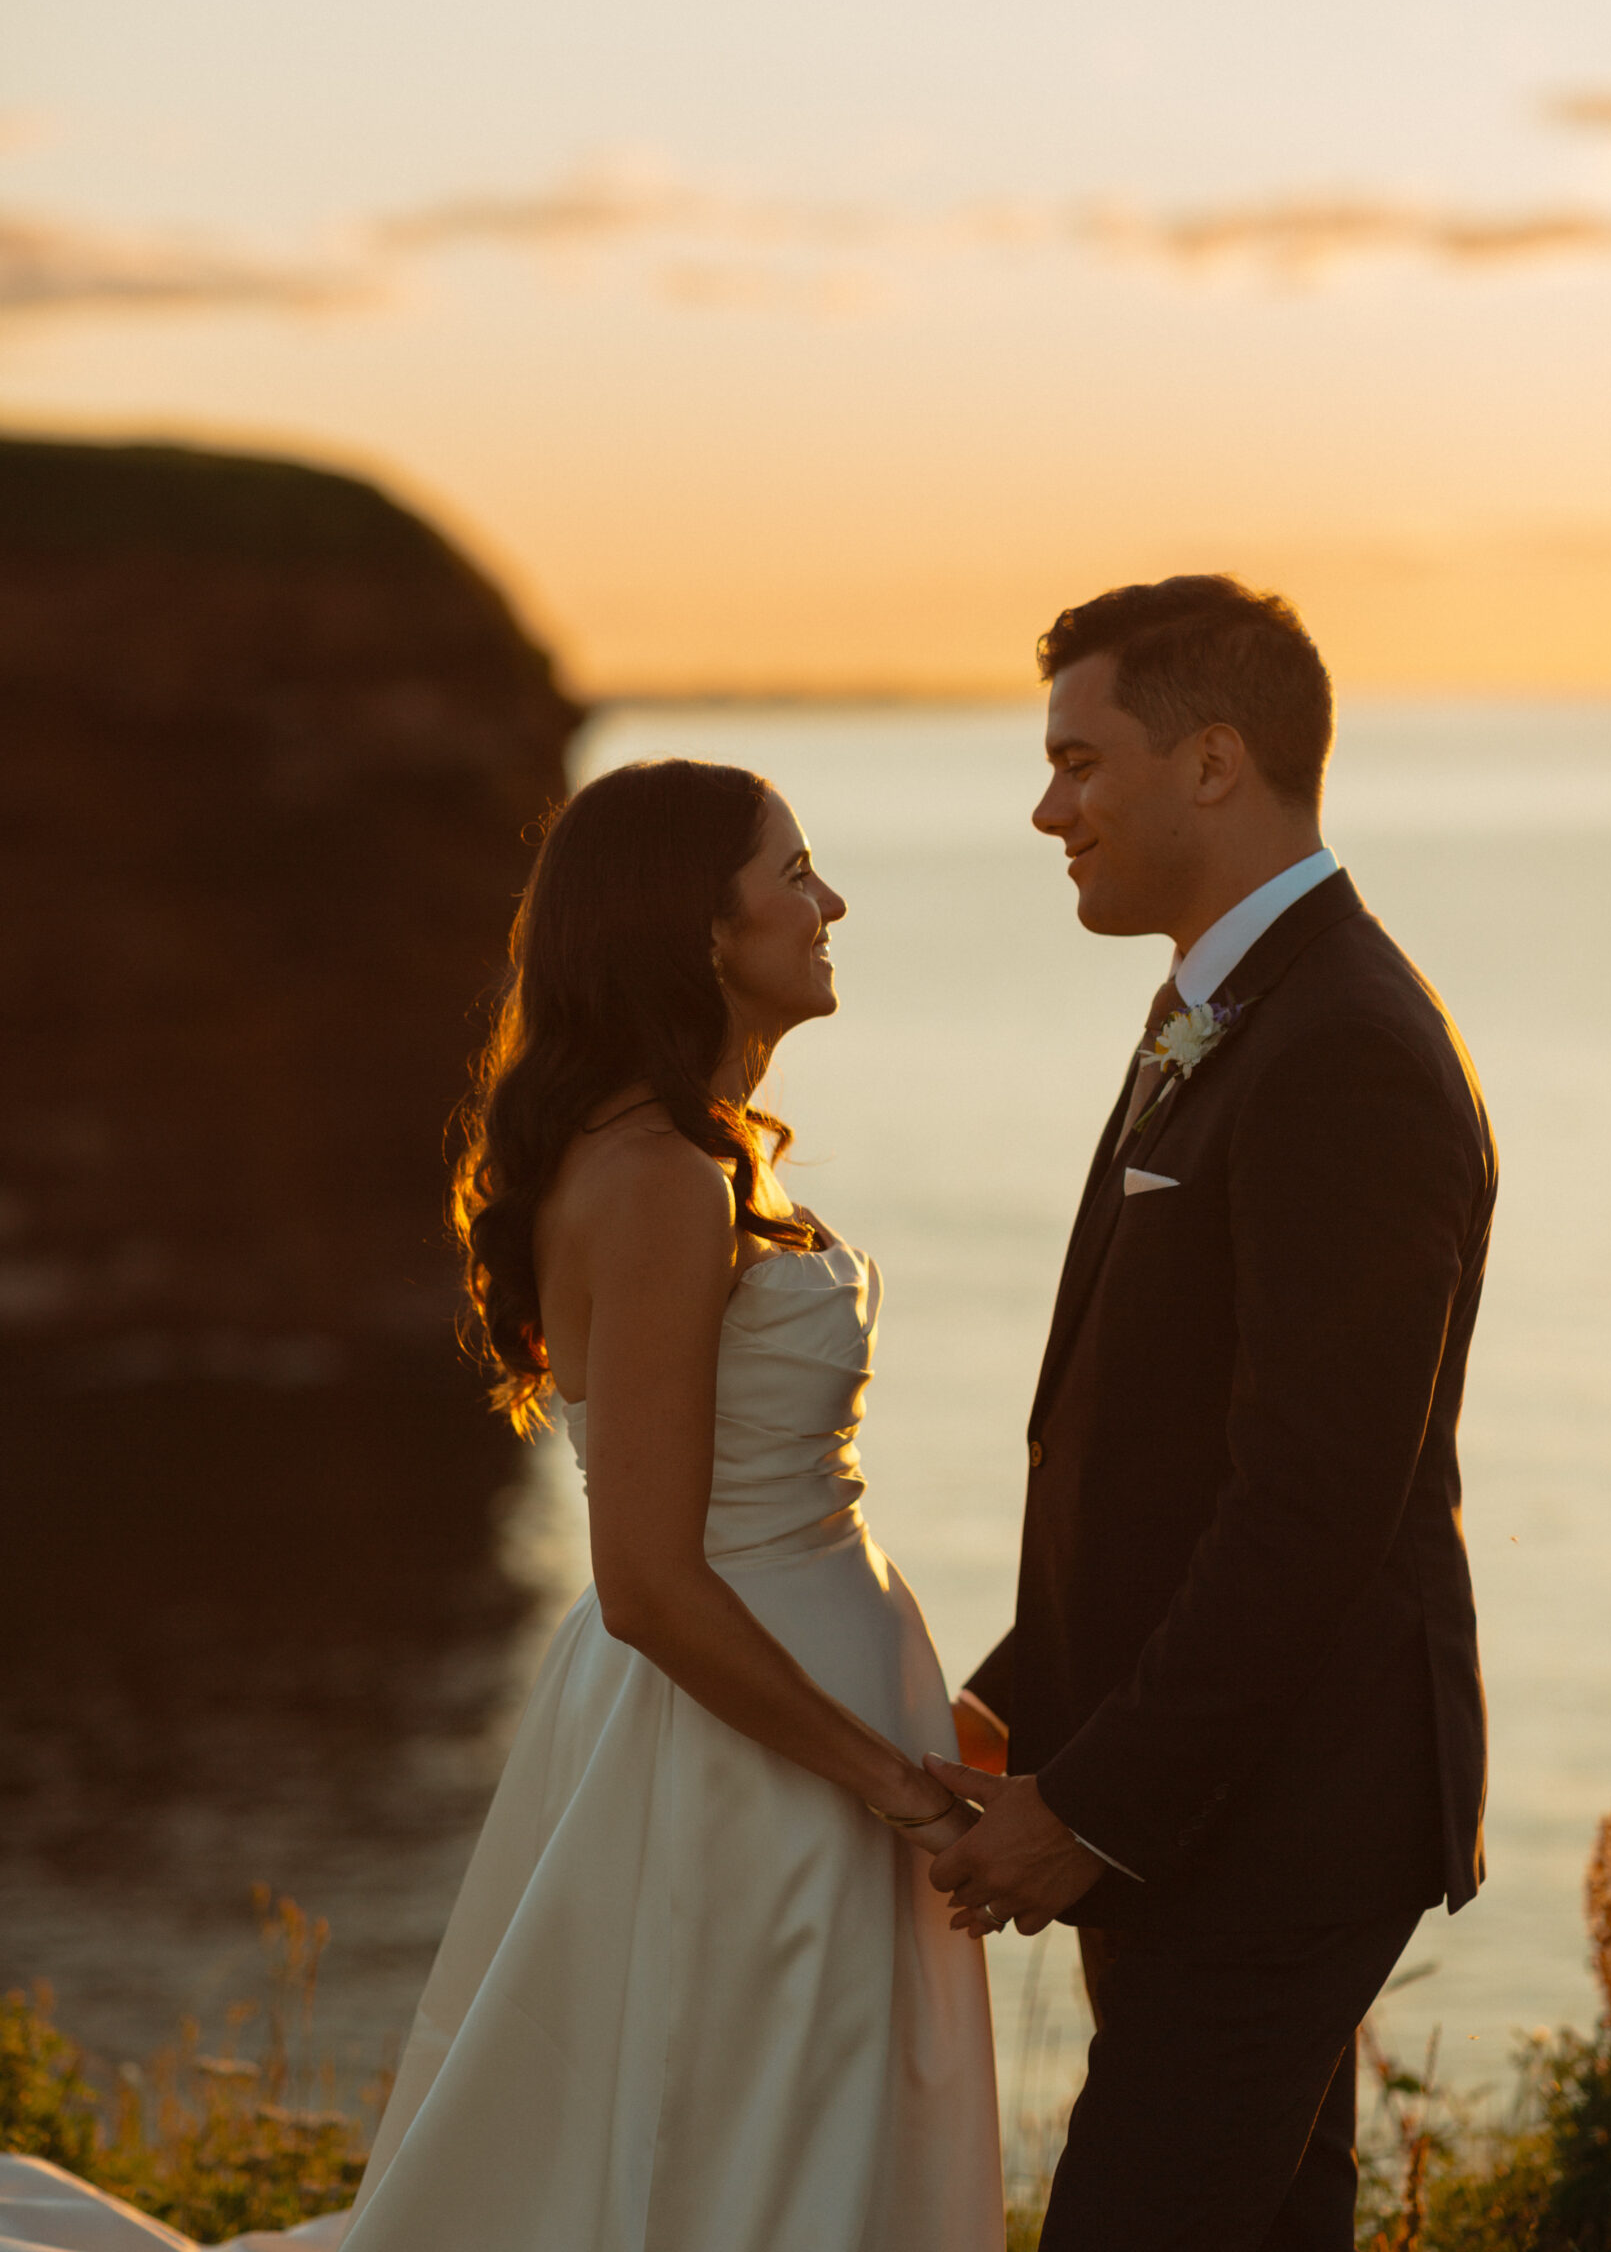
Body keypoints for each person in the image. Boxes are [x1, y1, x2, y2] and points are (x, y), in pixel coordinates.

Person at [339, 758, 1003, 2252]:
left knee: (797, 2115)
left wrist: (927, 1727)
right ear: (704, 930)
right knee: (744, 2129)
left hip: (810, 1690)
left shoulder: (702, 1155)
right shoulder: (652, 1179)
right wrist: (882, 1778)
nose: (829, 906)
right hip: (745, 1741)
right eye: (796, 874)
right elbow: (645, 1579)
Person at [926, 577, 1497, 2252]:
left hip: (1287, 1813)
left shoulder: (1346, 1044)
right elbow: (1157, 1446)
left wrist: (1093, 1804)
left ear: (1215, 761)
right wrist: (1015, 1707)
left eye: (1079, 760)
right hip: (1215, 1793)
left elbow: (1313, 1503)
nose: (1049, 809)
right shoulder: (1230, 1001)